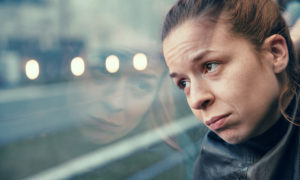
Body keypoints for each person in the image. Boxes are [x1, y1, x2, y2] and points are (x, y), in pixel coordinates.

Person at [161, 0, 300, 179]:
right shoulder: (208, 171)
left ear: (275, 53)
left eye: (210, 66)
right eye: (183, 83)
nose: (195, 100)